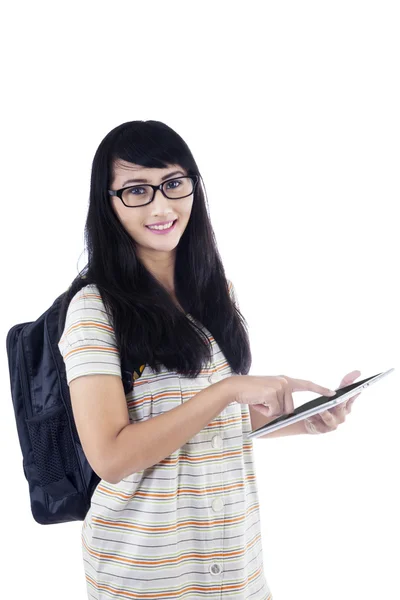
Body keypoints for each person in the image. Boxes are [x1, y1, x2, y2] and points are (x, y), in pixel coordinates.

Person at [58, 120, 359, 600]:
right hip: (148, 574)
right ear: (108, 203)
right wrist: (230, 389)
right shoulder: (95, 309)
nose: (161, 206)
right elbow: (111, 458)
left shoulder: (215, 294)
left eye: (173, 184)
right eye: (136, 190)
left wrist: (303, 422)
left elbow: (207, 429)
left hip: (237, 565)